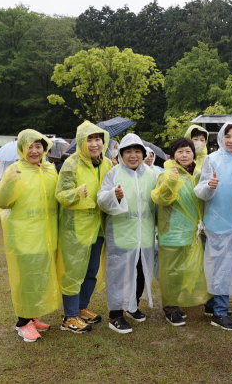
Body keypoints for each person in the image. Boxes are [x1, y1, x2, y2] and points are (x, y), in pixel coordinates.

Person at [0, 129, 60, 343]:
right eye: (29, 146)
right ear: (21, 148)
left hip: (46, 235)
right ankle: (22, 322)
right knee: (25, 279)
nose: (34, 151)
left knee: (39, 276)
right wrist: (10, 182)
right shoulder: (15, 170)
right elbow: (0, 201)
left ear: (45, 149)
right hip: (24, 236)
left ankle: (32, 316)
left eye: (38, 146)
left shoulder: (49, 170)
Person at [195, 122, 232, 331]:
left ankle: (214, 305)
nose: (231, 140)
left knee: (225, 267)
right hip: (217, 222)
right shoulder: (212, 160)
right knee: (219, 267)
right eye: (227, 136)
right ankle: (219, 313)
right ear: (221, 138)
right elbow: (200, 189)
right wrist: (209, 187)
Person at [55, 121, 113, 333]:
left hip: (97, 226)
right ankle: (69, 317)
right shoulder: (72, 163)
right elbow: (61, 194)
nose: (95, 143)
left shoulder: (107, 164)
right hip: (77, 227)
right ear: (81, 141)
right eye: (89, 139)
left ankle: (81, 308)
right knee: (73, 270)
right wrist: (77, 194)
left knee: (91, 270)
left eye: (98, 139)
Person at [97, 134, 156, 334]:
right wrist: (114, 195)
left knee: (140, 272)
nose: (133, 156)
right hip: (122, 234)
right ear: (121, 154)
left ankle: (133, 306)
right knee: (119, 274)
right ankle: (116, 315)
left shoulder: (150, 173)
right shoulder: (113, 174)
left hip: (145, 234)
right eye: (128, 151)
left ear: (143, 153)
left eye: (137, 151)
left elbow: (157, 199)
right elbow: (101, 199)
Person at [152, 138, 212, 326]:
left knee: (190, 269)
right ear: (172, 155)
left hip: (194, 231)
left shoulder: (198, 174)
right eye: (180, 152)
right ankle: (170, 308)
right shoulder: (168, 173)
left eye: (187, 151)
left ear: (194, 154)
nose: (184, 155)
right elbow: (161, 199)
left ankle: (180, 304)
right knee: (172, 272)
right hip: (173, 231)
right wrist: (171, 181)